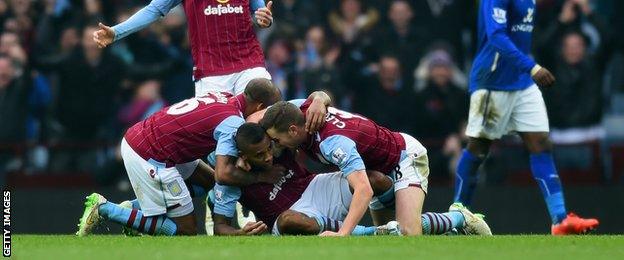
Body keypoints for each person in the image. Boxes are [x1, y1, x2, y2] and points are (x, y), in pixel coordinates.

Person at [451, 0, 599, 235]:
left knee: (541, 144)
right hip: (493, 81)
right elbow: (496, 36)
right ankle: (456, 216)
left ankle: (560, 220)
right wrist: (532, 67)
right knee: (479, 147)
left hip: (522, 82)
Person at [75, 79, 281, 236]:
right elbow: (223, 174)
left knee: (206, 181)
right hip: (151, 155)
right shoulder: (233, 123)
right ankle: (104, 209)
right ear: (260, 107)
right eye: (269, 114)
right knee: (185, 231)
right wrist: (262, 177)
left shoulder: (224, 96)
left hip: (153, 141)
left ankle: (132, 209)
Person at [260, 100, 491, 236]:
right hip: (375, 168)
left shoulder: (332, 143)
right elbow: (314, 97)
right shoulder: (300, 108)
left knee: (407, 232)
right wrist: (320, 96)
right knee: (390, 233)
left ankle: (460, 219)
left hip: (404, 157)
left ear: (292, 130)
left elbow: (363, 190)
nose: (276, 146)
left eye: (277, 140)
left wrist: (342, 235)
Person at [92, 0, 275, 96]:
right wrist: (116, 32)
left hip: (249, 63)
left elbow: (260, 13)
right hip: (211, 73)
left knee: (260, 120)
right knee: (220, 139)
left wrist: (266, 20)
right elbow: (154, 10)